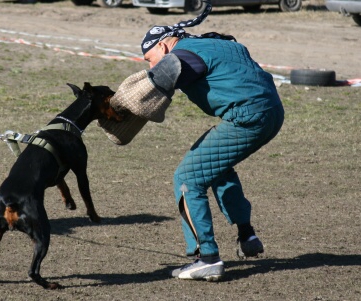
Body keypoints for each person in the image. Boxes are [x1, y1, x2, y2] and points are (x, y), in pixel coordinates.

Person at [99, 1, 284, 281]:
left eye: (149, 58)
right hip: (271, 112)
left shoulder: (184, 55)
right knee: (215, 167)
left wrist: (117, 106)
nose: (150, 64)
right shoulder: (215, 44)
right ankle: (247, 236)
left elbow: (165, 77)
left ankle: (206, 257)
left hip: (246, 116)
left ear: (162, 47)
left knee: (188, 178)